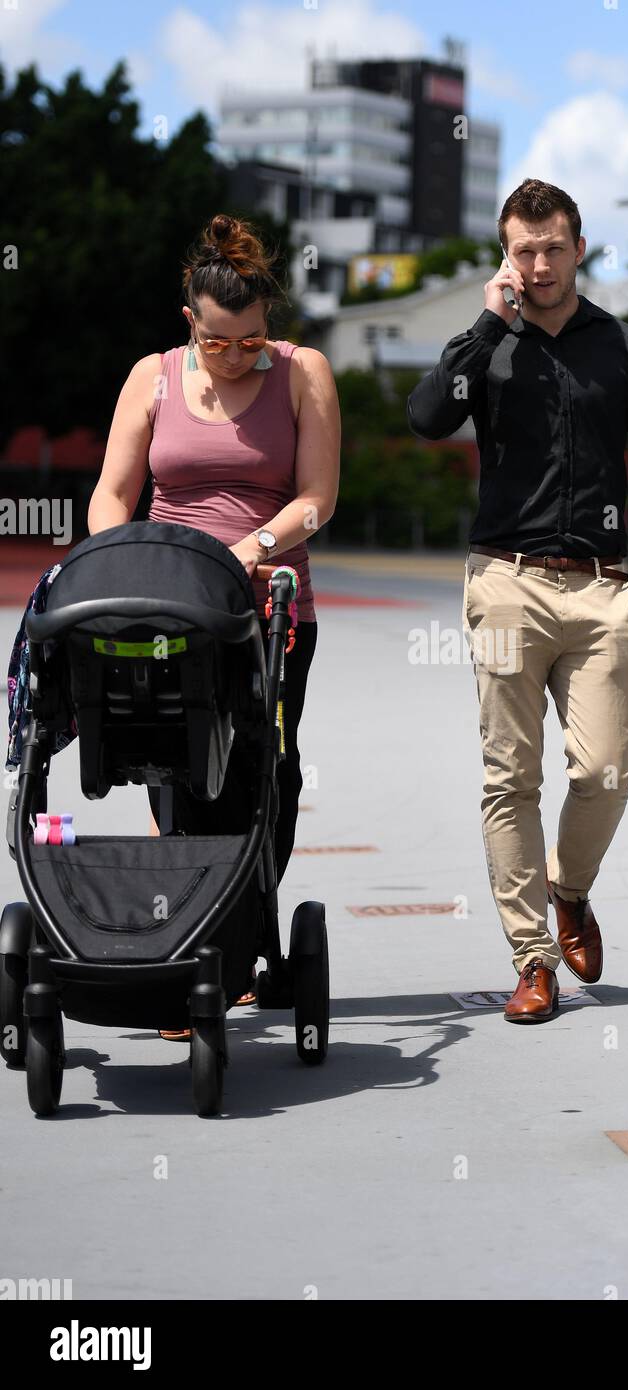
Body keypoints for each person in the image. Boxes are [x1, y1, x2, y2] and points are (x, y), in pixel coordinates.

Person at [407, 178, 628, 1024]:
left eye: (554, 247)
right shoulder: (489, 345)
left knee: (606, 768)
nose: (541, 264)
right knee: (508, 778)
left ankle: (571, 888)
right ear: (505, 255)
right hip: (506, 581)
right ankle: (532, 961)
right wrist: (487, 328)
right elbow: (426, 419)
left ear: (580, 247)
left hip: (599, 590)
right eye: (524, 250)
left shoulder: (625, 348)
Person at [87, 213, 340, 1037]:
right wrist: (116, 556)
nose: (241, 356)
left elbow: (317, 499)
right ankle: (192, 944)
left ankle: (234, 937)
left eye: (255, 339)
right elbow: (112, 493)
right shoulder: (152, 377)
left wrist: (249, 548)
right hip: (163, 602)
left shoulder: (302, 375)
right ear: (191, 321)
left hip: (267, 608)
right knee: (170, 763)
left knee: (263, 771)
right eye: (223, 341)